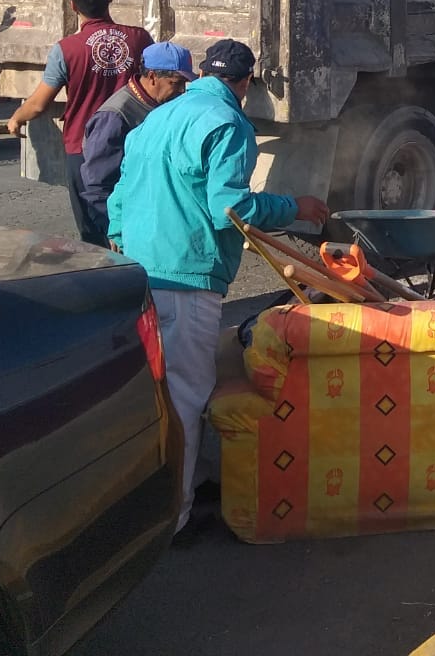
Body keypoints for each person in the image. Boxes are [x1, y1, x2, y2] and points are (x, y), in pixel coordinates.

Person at [108, 39, 329, 539]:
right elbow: (229, 209)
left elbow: (118, 201)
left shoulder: (155, 119)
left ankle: (173, 488)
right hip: (186, 281)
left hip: (139, 277)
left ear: (203, 72)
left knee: (156, 396)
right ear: (246, 83)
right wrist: (295, 207)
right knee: (188, 397)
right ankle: (176, 520)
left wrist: (129, 251)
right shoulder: (228, 124)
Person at [8, 0, 155, 244]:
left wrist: (17, 117)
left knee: (94, 232)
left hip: (85, 149)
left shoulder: (66, 49)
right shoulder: (140, 39)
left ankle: (105, 283)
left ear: (73, 5)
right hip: (135, 144)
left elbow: (39, 104)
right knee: (138, 223)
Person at [78, 40, 195, 246]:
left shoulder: (159, 105)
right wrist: (114, 229)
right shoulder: (115, 116)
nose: (181, 91)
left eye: (185, 84)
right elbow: (98, 185)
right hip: (123, 228)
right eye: (176, 83)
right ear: (152, 77)